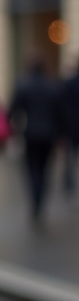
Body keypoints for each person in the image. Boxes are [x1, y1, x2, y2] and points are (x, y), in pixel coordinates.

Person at [8, 56, 65, 227]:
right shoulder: (52, 86)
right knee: (45, 170)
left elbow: (13, 109)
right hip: (49, 134)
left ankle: (35, 201)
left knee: (32, 169)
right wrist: (62, 134)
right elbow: (61, 113)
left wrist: (11, 127)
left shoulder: (24, 85)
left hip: (31, 133)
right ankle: (40, 201)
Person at [60, 61, 79, 199]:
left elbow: (63, 108)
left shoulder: (68, 84)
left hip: (71, 127)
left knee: (69, 159)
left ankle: (69, 187)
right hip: (71, 126)